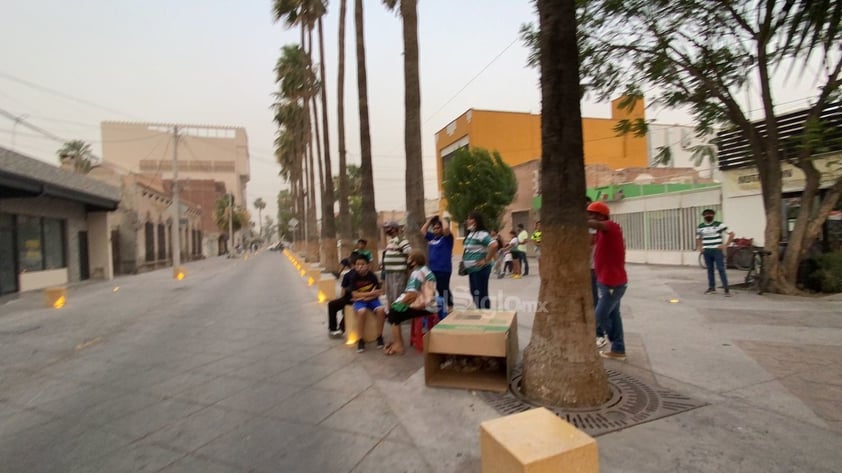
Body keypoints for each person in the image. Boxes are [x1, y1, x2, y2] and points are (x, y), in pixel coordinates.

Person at [587, 201, 628, 361]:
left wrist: (581, 219)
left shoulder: (612, 226)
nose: (589, 217)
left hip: (613, 283)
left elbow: (598, 225)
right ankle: (618, 349)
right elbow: (590, 240)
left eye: (592, 214)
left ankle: (613, 341)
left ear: (601, 216)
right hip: (605, 281)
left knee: (600, 317)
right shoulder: (600, 233)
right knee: (614, 316)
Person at [383, 250, 440, 355]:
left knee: (393, 313)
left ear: (413, 262)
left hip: (423, 307)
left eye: (409, 259)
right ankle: (397, 342)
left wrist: (397, 304)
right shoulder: (426, 270)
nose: (407, 261)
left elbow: (412, 295)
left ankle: (398, 344)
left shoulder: (416, 273)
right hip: (432, 304)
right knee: (396, 309)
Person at [347, 254, 386, 353]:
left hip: (371, 299)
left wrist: (367, 296)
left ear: (368, 265)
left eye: (363, 264)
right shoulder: (353, 277)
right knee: (362, 311)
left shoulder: (372, 276)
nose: (360, 266)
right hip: (360, 301)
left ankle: (379, 336)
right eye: (357, 264)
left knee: (381, 310)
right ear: (354, 266)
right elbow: (355, 294)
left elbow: (378, 292)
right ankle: (361, 339)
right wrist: (368, 294)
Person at [462, 211, 498, 309]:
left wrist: (486, 260)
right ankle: (480, 310)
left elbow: (494, 245)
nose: (467, 221)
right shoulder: (471, 234)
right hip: (472, 270)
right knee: (474, 292)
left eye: (469, 218)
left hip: (480, 270)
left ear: (476, 221)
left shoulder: (481, 234)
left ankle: (485, 313)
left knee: (481, 294)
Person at [696, 209, 734, 296]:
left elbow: (731, 234)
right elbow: (698, 238)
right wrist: (700, 247)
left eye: (710, 214)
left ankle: (726, 289)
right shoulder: (701, 226)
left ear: (713, 215)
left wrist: (726, 245)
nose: (708, 216)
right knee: (710, 270)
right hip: (707, 251)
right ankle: (712, 288)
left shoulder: (719, 225)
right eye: (706, 215)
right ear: (703, 216)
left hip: (717, 250)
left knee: (721, 269)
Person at [421, 215, 454, 313]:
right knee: (436, 289)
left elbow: (446, 228)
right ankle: (441, 307)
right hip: (433, 268)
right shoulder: (432, 238)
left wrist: (441, 218)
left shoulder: (447, 238)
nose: (435, 230)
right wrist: (430, 221)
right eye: (434, 228)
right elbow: (422, 230)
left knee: (444, 288)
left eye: (438, 228)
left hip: (444, 268)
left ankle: (450, 306)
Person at [381, 221, 411, 309]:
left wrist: (408, 270)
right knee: (390, 294)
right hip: (389, 272)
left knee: (397, 293)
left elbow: (409, 253)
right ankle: (392, 314)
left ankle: (398, 314)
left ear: (395, 229)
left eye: (389, 228)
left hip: (398, 273)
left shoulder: (401, 240)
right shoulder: (391, 241)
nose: (387, 230)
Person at [327, 255, 357, 338]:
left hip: (352, 298)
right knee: (346, 307)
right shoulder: (365, 274)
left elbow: (343, 292)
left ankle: (334, 329)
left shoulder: (348, 275)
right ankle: (341, 328)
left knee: (332, 305)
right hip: (354, 298)